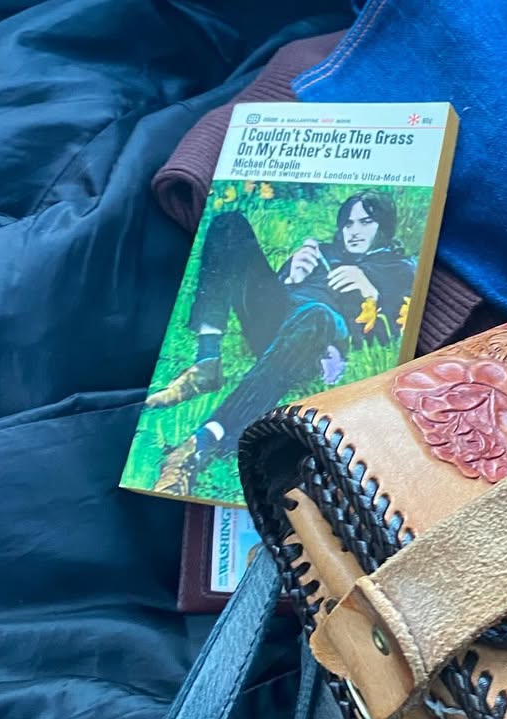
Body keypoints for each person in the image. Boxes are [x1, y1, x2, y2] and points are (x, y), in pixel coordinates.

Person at [148, 191, 415, 495]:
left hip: (315, 337)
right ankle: (206, 363)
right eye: (348, 223)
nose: (354, 231)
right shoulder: (322, 251)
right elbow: (270, 299)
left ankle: (203, 442)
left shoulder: (399, 268)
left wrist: (371, 293)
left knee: (316, 313)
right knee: (229, 224)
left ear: (384, 225)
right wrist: (290, 275)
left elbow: (389, 337)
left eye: (366, 222)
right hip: (278, 324)